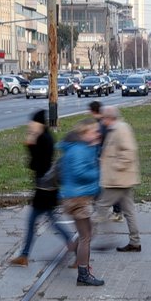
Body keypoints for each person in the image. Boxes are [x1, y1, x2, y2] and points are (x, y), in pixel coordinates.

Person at [10, 110, 75, 267]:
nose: (30, 125)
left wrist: (30, 144)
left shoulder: (42, 139)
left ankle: (25, 255)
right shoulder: (47, 137)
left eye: (32, 122)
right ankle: (24, 255)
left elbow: (35, 164)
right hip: (47, 188)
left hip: (44, 190)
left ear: (38, 123)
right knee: (49, 221)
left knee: (39, 222)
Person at [58, 118, 105, 286]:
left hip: (77, 196)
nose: (97, 133)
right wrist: (98, 173)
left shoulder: (82, 148)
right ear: (85, 133)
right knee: (86, 236)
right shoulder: (79, 150)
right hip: (78, 198)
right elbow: (79, 173)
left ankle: (79, 260)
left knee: (87, 233)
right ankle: (83, 274)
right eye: (94, 131)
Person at [93, 105, 143, 253]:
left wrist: (115, 167)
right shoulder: (117, 128)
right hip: (122, 178)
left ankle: (105, 239)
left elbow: (129, 151)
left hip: (118, 179)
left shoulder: (120, 129)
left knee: (101, 207)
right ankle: (135, 242)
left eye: (103, 118)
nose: (102, 121)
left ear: (109, 118)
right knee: (129, 211)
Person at [88, 100, 122, 222]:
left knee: (104, 185)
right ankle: (114, 210)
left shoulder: (102, 124)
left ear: (93, 111)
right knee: (107, 186)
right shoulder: (104, 123)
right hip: (106, 159)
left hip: (104, 159)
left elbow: (102, 142)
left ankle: (109, 211)